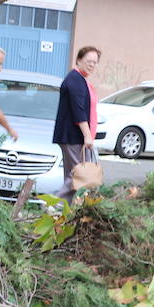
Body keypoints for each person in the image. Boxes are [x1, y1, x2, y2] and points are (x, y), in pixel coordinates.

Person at [53, 45, 101, 198]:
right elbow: (78, 110)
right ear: (79, 60)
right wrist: (87, 135)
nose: (92, 65)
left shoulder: (80, 80)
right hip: (73, 137)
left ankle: (65, 212)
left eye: (95, 62)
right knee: (78, 174)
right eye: (89, 61)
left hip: (73, 137)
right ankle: (54, 204)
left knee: (73, 174)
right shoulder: (75, 80)